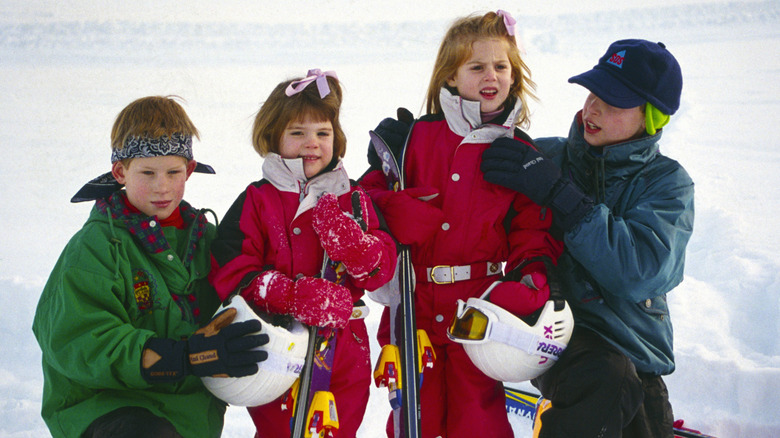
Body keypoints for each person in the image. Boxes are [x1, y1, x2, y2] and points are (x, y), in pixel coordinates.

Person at [361, 11, 563, 438]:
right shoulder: (416, 138)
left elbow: (531, 233)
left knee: (478, 418)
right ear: (450, 77)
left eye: (501, 67)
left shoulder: (518, 152)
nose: (491, 76)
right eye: (476, 67)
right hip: (414, 306)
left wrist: (531, 278)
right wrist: (387, 206)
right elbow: (361, 201)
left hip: (480, 310)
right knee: (415, 416)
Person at [481, 39, 695, 437]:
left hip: (634, 352)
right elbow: (464, 165)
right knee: (607, 378)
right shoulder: (544, 159)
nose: (591, 108)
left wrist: (565, 199)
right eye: (593, 93)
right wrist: (413, 144)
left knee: (633, 403)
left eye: (612, 103)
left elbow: (639, 271)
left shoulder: (667, 185)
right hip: (557, 337)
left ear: (651, 117)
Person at [32, 95, 269, 438]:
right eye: (147, 173)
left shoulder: (207, 241)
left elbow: (240, 299)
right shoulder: (96, 247)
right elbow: (80, 342)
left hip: (187, 414)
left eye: (173, 172)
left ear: (189, 169)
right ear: (120, 172)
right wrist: (186, 355)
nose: (162, 186)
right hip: (107, 407)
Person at [209, 69, 398, 438]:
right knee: (282, 429)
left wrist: (358, 249)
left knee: (340, 427)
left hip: (346, 344)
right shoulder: (258, 199)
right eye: (298, 133)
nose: (312, 143)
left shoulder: (353, 199)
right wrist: (288, 294)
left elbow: (383, 271)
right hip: (281, 343)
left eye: (322, 133)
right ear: (273, 137)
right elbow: (231, 267)